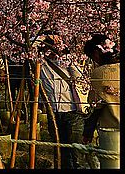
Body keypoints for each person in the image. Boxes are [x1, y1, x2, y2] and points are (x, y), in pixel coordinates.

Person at [37, 32, 89, 169]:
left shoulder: (67, 62)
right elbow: (29, 45)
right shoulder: (41, 63)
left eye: (55, 49)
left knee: (76, 152)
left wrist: (67, 56)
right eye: (49, 49)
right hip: (53, 112)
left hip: (72, 112)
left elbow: (80, 78)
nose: (53, 53)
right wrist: (44, 37)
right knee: (60, 151)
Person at [82, 34, 120, 169]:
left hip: (112, 131)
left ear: (97, 52)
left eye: (92, 57)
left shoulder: (100, 73)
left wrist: (87, 132)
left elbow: (95, 106)